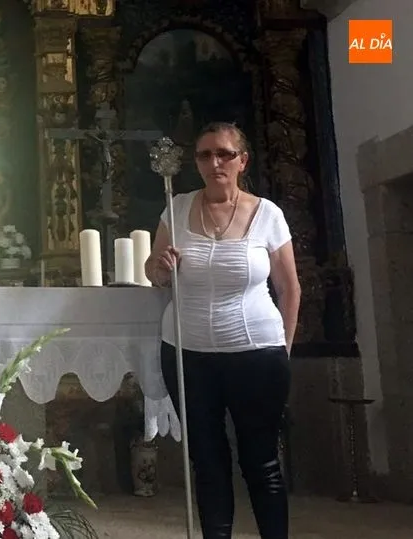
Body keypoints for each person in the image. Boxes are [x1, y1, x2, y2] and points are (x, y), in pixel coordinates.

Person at [145, 122, 301, 539]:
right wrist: (159, 268)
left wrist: (282, 349)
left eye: (224, 154)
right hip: (187, 352)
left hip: (256, 353)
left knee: (260, 461)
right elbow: (154, 274)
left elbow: (289, 287)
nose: (214, 162)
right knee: (207, 461)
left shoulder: (268, 214)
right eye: (204, 155)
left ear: (242, 160)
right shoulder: (174, 208)